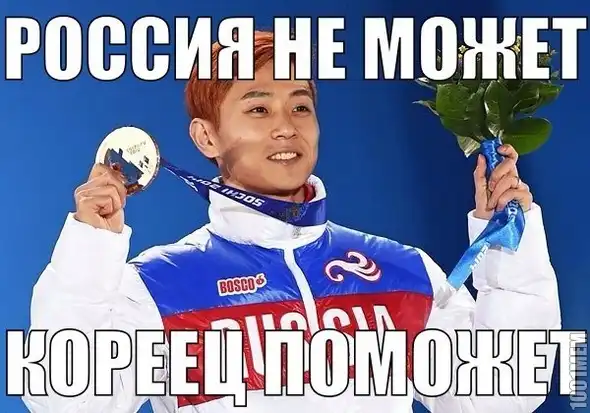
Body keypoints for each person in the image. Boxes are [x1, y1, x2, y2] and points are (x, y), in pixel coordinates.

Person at [23, 30, 561, 413]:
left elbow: (502, 392)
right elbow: (66, 398)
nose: (286, 127)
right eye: (258, 109)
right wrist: (89, 249)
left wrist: (505, 247)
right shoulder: (161, 285)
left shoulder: (402, 271)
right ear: (207, 137)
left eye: (300, 107)